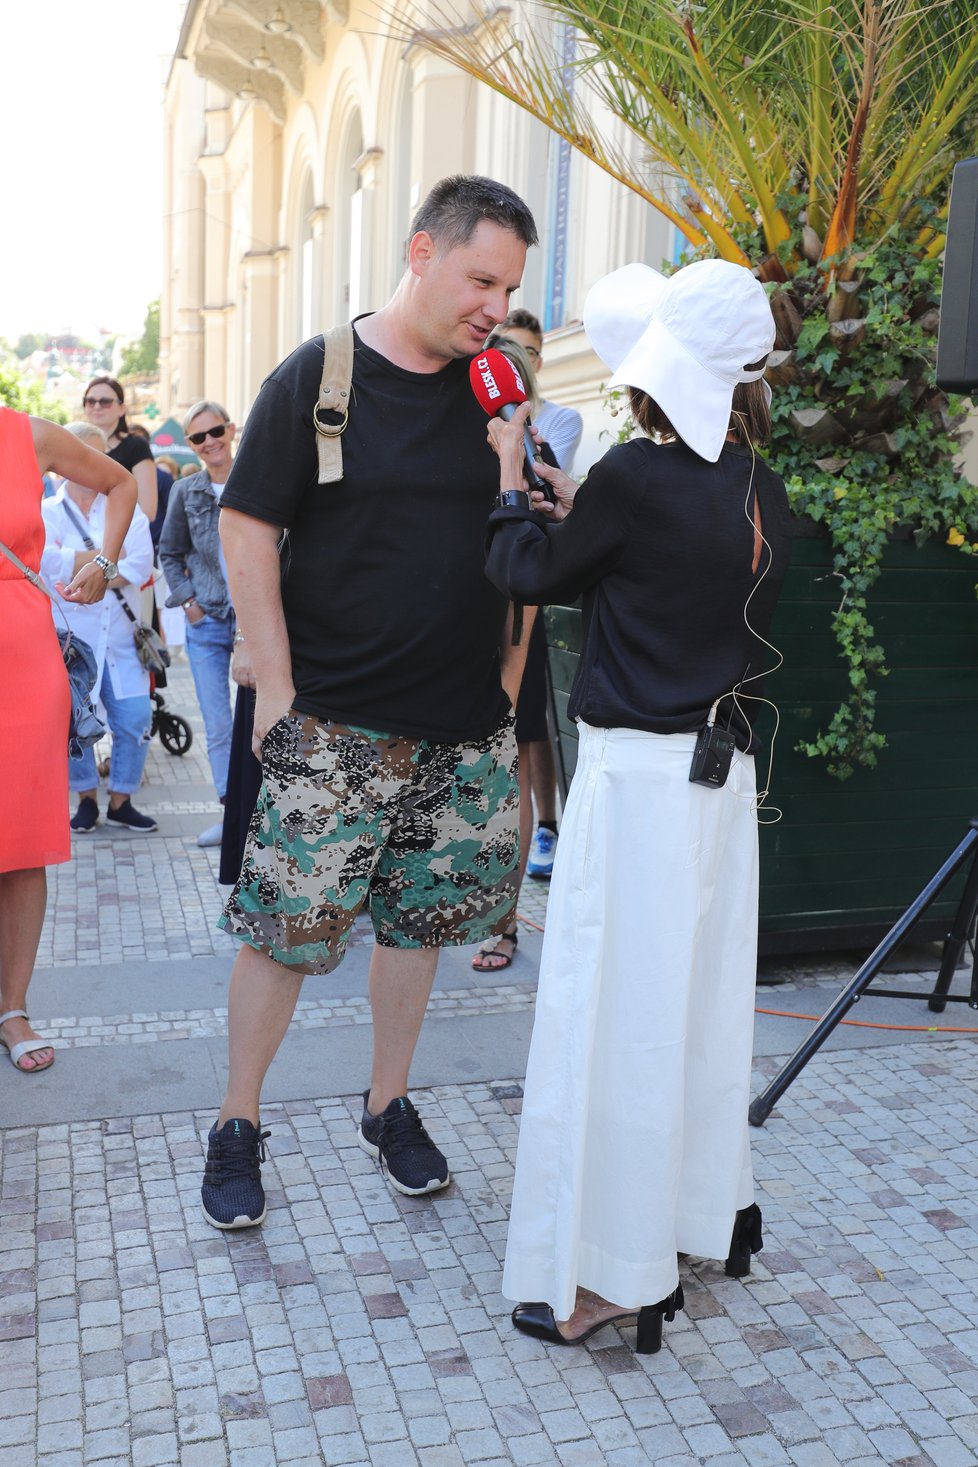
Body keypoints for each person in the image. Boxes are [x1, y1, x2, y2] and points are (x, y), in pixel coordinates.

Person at [201, 174, 539, 1230]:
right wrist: (277, 687)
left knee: (419, 926)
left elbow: (521, 545)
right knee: (285, 932)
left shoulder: (499, 387)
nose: (494, 302)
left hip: (463, 727)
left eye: (511, 285)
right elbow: (247, 527)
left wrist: (519, 458)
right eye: (482, 277)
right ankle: (237, 1121)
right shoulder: (319, 376)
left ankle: (387, 1102)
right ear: (421, 251)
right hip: (336, 721)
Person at [484, 259, 792, 1351]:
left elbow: (529, 573)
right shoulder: (760, 486)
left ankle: (618, 1277)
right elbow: (657, 561)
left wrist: (513, 473)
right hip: (722, 783)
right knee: (698, 1014)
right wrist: (587, 518)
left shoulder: (631, 480)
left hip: (636, 781)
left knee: (612, 1022)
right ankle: (707, 1219)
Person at [0, 407, 136, 1072]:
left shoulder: (24, 434)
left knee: (21, 843)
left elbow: (122, 484)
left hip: (21, 660)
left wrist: (105, 561)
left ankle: (13, 1006)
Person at [470, 334, 557, 973]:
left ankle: (504, 924)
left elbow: (528, 564)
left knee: (510, 779)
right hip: (441, 638)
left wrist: (512, 667)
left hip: (507, 636)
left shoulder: (528, 450)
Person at [495, 309, 582, 882]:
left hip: (516, 617)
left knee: (515, 763)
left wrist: (516, 462)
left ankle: (503, 919)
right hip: (455, 623)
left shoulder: (541, 439)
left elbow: (541, 532)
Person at [42, 423, 157, 834]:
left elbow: (141, 563)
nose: (88, 465)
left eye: (97, 456)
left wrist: (85, 567)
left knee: (135, 717)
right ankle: (86, 799)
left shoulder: (125, 508)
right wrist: (108, 558)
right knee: (75, 721)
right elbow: (45, 563)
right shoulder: (48, 511)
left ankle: (122, 799)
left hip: (123, 637)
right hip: (73, 637)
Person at [158, 401, 238, 847]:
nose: (209, 442)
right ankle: (230, 814)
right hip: (206, 620)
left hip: (256, 621)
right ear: (190, 446)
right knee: (218, 722)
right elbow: (168, 552)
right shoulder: (185, 492)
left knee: (263, 721)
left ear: (229, 429)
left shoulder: (259, 477)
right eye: (197, 438)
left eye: (214, 431)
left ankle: (261, 815)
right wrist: (188, 603)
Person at [82, 377, 158, 522]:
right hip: (78, 535)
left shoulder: (136, 445)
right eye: (90, 401)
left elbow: (148, 511)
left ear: (122, 408)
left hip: (124, 535)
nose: (97, 406)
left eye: (105, 402)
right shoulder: (74, 444)